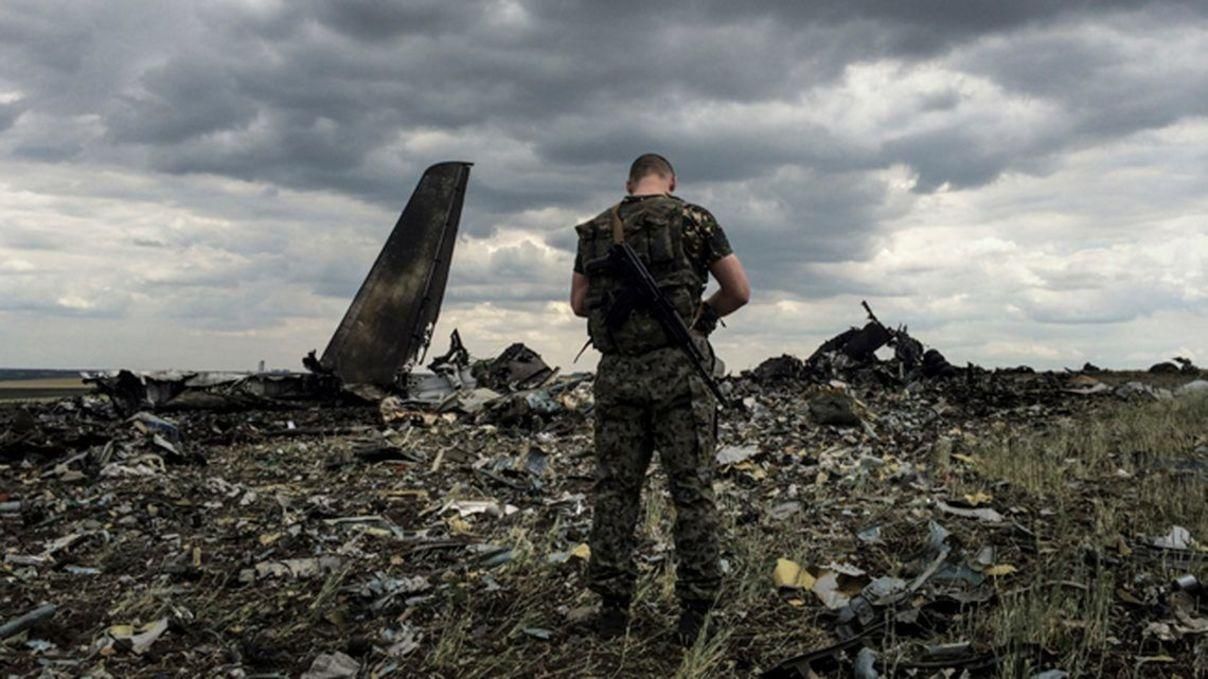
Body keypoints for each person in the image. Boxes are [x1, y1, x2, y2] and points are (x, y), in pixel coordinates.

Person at [569, 153, 751, 644]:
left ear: (629, 183)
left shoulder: (594, 230)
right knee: (691, 494)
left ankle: (611, 610)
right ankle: (695, 614)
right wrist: (704, 317)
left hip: (619, 376)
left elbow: (578, 303)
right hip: (680, 375)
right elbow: (738, 290)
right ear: (671, 181)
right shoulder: (694, 219)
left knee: (615, 491)